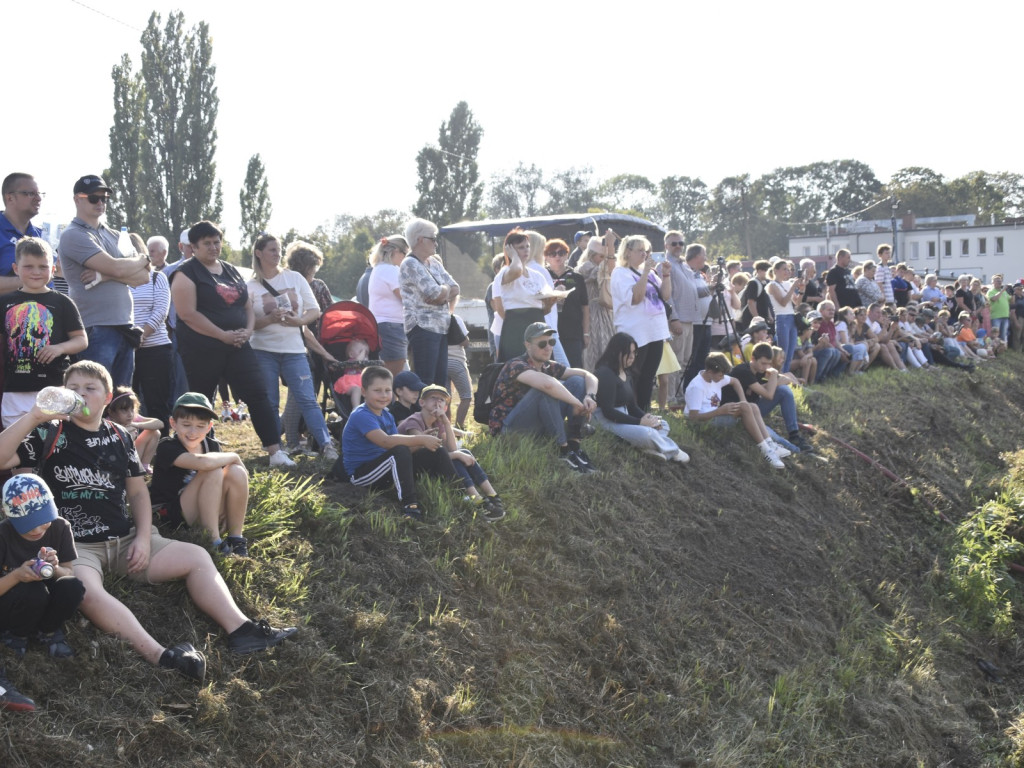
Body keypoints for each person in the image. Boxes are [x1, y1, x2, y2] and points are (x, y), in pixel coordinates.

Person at [0, 361, 297, 681]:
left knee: (197, 557)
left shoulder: (120, 436)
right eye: (72, 388)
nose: (80, 394)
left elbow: (139, 494)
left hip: (126, 539)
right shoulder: (49, 431)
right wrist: (33, 416)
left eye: (89, 388)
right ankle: (161, 656)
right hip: (76, 544)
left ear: (107, 397)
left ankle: (242, 630)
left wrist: (143, 537)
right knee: (83, 589)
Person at [170, 222, 295, 468]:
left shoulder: (230, 270)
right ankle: (198, 451)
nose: (213, 247)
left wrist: (247, 331)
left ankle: (275, 451)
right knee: (200, 400)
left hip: (238, 346)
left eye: (217, 242)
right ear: (193, 247)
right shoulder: (186, 273)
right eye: (207, 243)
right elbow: (187, 314)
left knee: (259, 394)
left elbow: (246, 306)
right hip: (201, 349)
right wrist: (221, 335)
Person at [246, 233, 337, 461]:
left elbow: (314, 310)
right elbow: (248, 325)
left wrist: (299, 321)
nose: (277, 254)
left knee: (307, 398)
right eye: (272, 250)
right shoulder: (250, 286)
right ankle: (277, 449)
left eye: (279, 250)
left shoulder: (294, 278)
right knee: (271, 401)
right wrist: (270, 319)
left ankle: (327, 445)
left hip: (295, 350)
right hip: (263, 350)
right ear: (259, 253)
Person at [58, 175, 152, 388]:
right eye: (93, 198)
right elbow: (118, 267)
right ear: (77, 200)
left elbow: (144, 276)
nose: (100, 202)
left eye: (104, 198)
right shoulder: (73, 234)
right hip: (95, 327)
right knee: (93, 396)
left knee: (121, 401)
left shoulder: (114, 234)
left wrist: (104, 275)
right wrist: (137, 262)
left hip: (124, 326)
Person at [339, 366, 456, 521]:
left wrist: (423, 442)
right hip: (362, 475)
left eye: (387, 390)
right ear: (364, 392)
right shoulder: (361, 415)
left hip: (386, 467)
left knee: (437, 451)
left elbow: (402, 446)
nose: (383, 395)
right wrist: (420, 439)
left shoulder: (387, 414)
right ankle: (410, 506)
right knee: (400, 450)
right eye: (377, 390)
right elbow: (387, 442)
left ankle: (458, 493)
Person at [487, 322, 598, 474]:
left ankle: (574, 446)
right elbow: (547, 385)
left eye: (551, 342)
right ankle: (563, 451)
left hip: (534, 425)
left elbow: (588, 375)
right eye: (542, 343)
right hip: (510, 431)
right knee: (544, 391)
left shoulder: (547, 366)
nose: (548, 347)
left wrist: (590, 396)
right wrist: (577, 403)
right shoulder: (515, 365)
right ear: (527, 345)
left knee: (577, 382)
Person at [0, 237, 87, 427]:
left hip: (55, 387)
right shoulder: (4, 303)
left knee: (54, 447)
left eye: (43, 266)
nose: (36, 272)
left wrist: (59, 348)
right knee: (17, 449)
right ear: (15, 268)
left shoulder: (63, 302)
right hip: (14, 392)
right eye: (28, 266)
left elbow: (81, 340)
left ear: (53, 269)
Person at [150, 393, 250, 556]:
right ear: (173, 423)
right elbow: (204, 463)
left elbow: (228, 479)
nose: (192, 432)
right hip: (171, 514)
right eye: (186, 424)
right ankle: (213, 540)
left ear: (209, 427)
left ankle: (235, 537)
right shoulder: (167, 446)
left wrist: (225, 509)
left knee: (236, 471)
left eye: (200, 426)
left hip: (203, 509)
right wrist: (235, 456)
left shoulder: (211, 445)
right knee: (213, 469)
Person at [0, 473, 84, 659]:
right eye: (28, 525)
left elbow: (68, 572)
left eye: (43, 521)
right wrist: (16, 576)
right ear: (9, 516)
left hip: (45, 601)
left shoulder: (60, 527)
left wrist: (54, 568)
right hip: (13, 602)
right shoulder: (3, 535)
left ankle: (47, 630)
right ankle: (15, 634)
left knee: (73, 586)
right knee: (34, 591)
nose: (37, 530)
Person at [398, 384, 505, 521]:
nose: (437, 402)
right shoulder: (414, 420)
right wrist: (457, 454)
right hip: (410, 467)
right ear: (422, 403)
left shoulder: (439, 421)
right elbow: (424, 452)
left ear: (446, 407)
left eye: (442, 400)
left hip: (431, 461)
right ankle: (476, 499)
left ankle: (492, 495)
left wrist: (447, 423)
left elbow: (452, 448)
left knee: (462, 452)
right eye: (433, 398)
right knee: (457, 456)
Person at [593, 332, 688, 463]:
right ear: (616, 352)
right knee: (647, 433)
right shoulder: (605, 373)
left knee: (662, 424)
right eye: (628, 353)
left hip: (624, 416)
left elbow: (632, 406)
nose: (632, 357)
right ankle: (672, 451)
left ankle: (647, 447)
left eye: (634, 353)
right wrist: (639, 423)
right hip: (607, 421)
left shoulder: (627, 373)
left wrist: (647, 418)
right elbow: (608, 411)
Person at [281, 240, 338, 454]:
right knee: (301, 395)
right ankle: (291, 439)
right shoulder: (288, 283)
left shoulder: (318, 285)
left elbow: (332, 313)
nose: (314, 272)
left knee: (304, 396)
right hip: (298, 344)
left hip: (317, 343)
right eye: (312, 268)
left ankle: (288, 436)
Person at [683, 352, 787, 469]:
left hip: (716, 414)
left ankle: (770, 444)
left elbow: (735, 381)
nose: (722, 378)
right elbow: (692, 418)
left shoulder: (715, 377)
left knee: (752, 406)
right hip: (704, 422)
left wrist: (743, 401)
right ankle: (765, 450)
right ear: (710, 372)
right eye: (721, 375)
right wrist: (719, 411)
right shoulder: (697, 387)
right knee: (745, 407)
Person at [610, 235, 671, 412]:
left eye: (646, 251)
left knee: (648, 376)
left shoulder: (650, 273)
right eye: (640, 251)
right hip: (635, 333)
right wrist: (645, 273)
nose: (644, 255)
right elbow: (636, 298)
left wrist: (666, 275)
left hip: (655, 332)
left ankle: (644, 411)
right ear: (628, 252)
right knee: (633, 375)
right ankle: (632, 412)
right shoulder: (620, 273)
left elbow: (666, 296)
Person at [722, 342, 811, 453]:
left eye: (769, 364)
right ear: (752, 358)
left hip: (754, 408)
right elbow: (769, 395)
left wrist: (768, 384)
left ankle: (794, 435)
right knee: (773, 436)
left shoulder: (760, 369)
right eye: (763, 364)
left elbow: (784, 380)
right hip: (739, 413)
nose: (766, 367)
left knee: (784, 390)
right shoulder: (744, 371)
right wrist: (774, 375)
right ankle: (797, 451)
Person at [400, 218, 459, 387]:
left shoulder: (433, 262)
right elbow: (434, 293)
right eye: (433, 239)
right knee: (425, 382)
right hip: (423, 328)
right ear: (420, 240)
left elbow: (456, 288)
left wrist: (444, 291)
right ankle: (421, 414)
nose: (436, 243)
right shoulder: (410, 263)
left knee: (440, 382)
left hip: (440, 328)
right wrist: (445, 290)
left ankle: (437, 414)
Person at [129, 233, 173, 438]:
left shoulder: (157, 277)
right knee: (127, 402)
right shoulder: (117, 281)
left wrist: (140, 336)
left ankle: (163, 446)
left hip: (155, 349)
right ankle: (132, 447)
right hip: (126, 350)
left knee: (157, 402)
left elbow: (161, 312)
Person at [493, 228, 555, 363]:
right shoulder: (504, 273)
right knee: (516, 369)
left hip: (538, 327)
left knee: (541, 367)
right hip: (515, 327)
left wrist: (551, 302)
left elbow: (544, 310)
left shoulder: (537, 275)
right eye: (521, 248)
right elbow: (516, 270)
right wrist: (513, 257)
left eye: (527, 246)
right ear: (510, 250)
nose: (526, 250)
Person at [666, 236, 709, 395]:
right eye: (674, 243)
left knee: (685, 361)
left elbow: (693, 292)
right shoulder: (666, 264)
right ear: (666, 245)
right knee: (675, 361)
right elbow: (667, 295)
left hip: (691, 319)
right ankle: (670, 397)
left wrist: (710, 288)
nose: (678, 246)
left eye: (681, 243)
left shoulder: (683, 265)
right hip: (679, 320)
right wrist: (674, 318)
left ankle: (679, 394)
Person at [367, 235, 411, 377]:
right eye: (405, 253)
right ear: (395, 251)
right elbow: (406, 297)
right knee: (392, 374)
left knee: (400, 373)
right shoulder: (390, 270)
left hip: (385, 325)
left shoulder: (379, 269)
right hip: (392, 326)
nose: (405, 258)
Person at [545, 239, 589, 369]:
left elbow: (585, 306)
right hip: (549, 332)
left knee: (574, 367)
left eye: (561, 252)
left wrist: (586, 333)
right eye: (552, 253)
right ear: (546, 257)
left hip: (573, 332)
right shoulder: (542, 276)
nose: (557, 256)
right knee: (551, 368)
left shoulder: (577, 277)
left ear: (567, 255)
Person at [0, 173, 44, 295]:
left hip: (43, 312)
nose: (38, 198)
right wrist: (28, 280)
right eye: (30, 193)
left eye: (39, 194)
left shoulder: (42, 235)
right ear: (10, 198)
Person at [579, 233, 615, 372]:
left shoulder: (599, 266)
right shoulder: (586, 267)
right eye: (601, 256)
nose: (603, 260)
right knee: (594, 351)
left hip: (605, 311)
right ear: (591, 254)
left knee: (607, 347)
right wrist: (610, 250)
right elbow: (607, 270)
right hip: (591, 313)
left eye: (604, 257)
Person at [104, 386, 162, 472]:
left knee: (155, 432)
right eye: (124, 410)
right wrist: (124, 432)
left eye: (132, 409)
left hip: (134, 456)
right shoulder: (106, 423)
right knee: (128, 434)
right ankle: (131, 470)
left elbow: (160, 423)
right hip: (115, 462)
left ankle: (144, 466)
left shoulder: (132, 418)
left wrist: (136, 424)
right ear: (111, 412)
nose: (130, 414)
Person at [766, 258, 802, 374]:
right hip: (782, 318)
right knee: (783, 352)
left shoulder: (787, 284)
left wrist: (801, 290)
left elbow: (797, 303)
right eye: (784, 269)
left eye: (788, 269)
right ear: (775, 271)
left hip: (791, 317)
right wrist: (793, 287)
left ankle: (785, 375)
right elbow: (783, 302)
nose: (787, 272)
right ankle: (779, 375)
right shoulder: (772, 285)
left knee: (790, 352)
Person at [987, 274, 1011, 344]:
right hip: (996, 316)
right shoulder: (991, 291)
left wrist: (1013, 292)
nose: (999, 282)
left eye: (1000, 281)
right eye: (997, 281)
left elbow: (1011, 300)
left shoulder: (1004, 292)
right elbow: (994, 299)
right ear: (993, 282)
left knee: (1003, 334)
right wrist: (1002, 290)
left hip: (1005, 316)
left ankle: (1002, 350)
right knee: (995, 334)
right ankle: (994, 349)